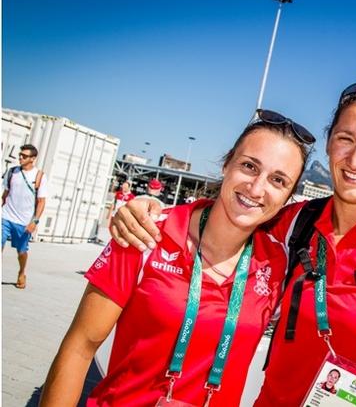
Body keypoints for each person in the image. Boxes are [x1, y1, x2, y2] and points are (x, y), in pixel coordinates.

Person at [111, 81, 356, 406]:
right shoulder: (294, 223)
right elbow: (235, 210)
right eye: (345, 139)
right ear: (330, 141)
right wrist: (150, 210)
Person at [39, 110, 315, 406]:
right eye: (249, 166)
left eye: (278, 180)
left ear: (289, 197)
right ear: (226, 164)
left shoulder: (278, 264)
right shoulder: (145, 234)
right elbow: (79, 348)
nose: (257, 188)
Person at [2, 144, 48, 289]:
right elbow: (5, 195)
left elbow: (41, 202)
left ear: (33, 158)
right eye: (20, 154)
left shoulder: (39, 176)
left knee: (21, 251)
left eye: (25, 156)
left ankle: (22, 272)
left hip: (24, 222)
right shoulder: (12, 172)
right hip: (5, 217)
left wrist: (34, 222)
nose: (20, 157)